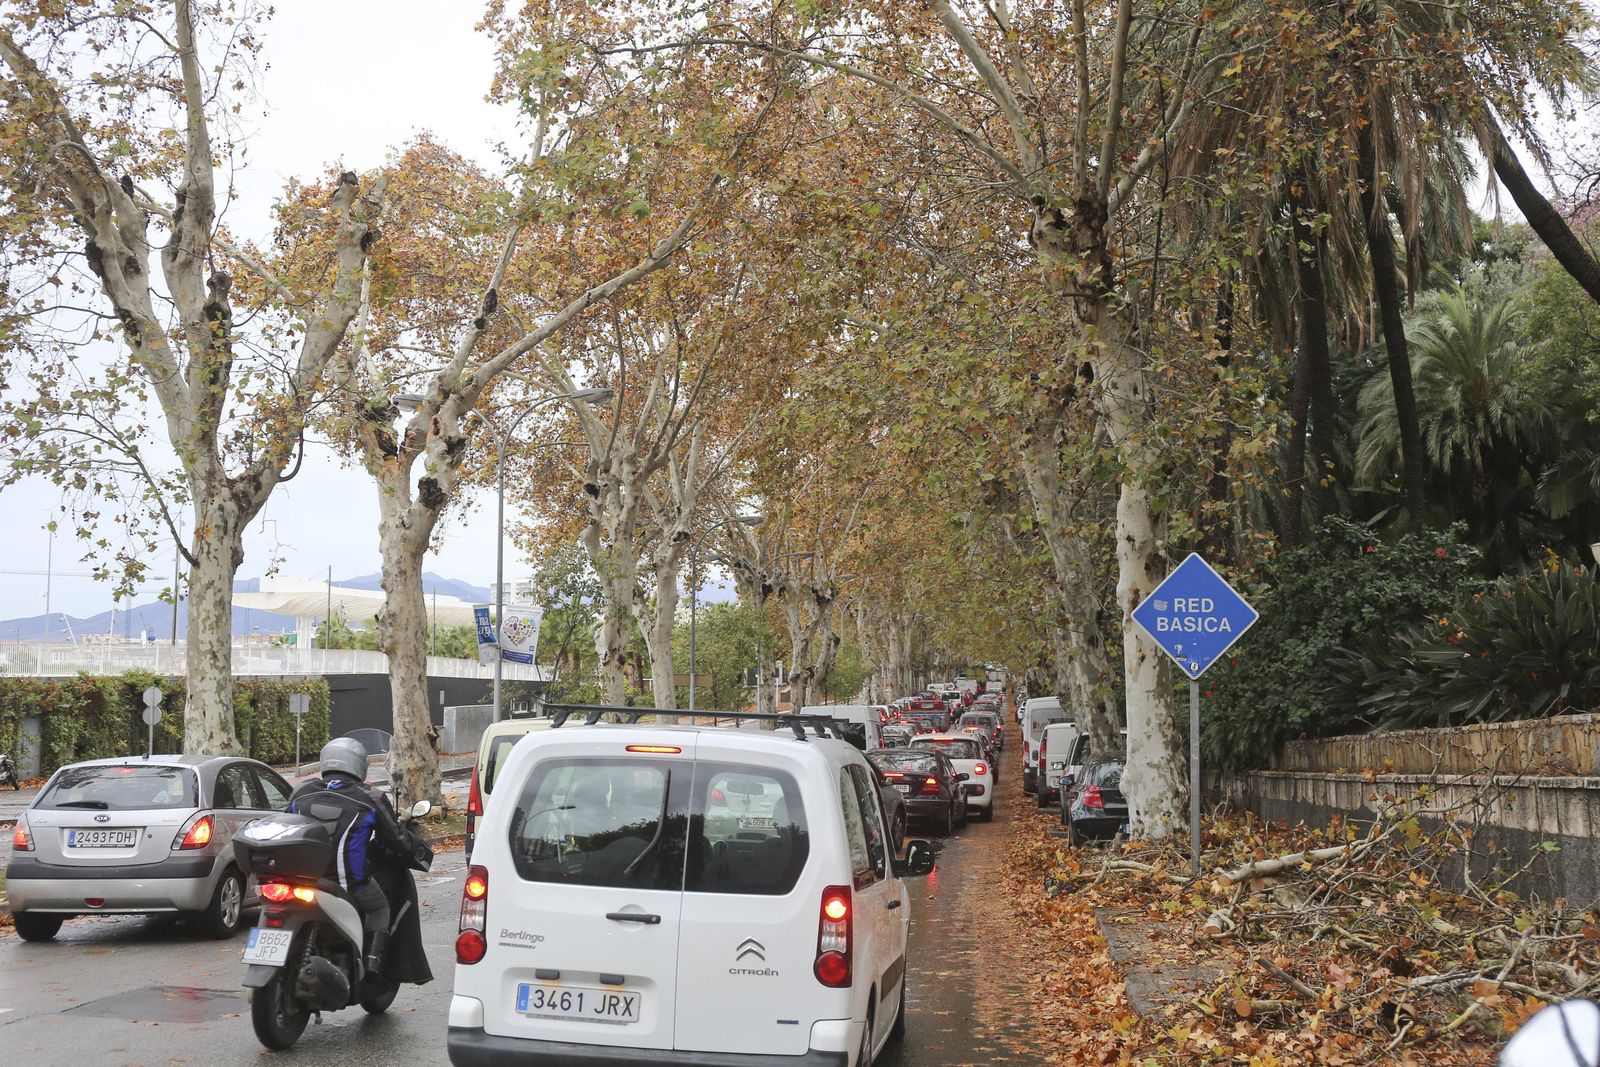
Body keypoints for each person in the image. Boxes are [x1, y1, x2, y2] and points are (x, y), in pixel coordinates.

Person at [289, 737, 413, 975]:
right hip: (349, 882)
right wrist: (408, 845)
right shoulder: (370, 797)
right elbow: (397, 840)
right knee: (380, 908)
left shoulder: (302, 791)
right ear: (359, 766)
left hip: (301, 879)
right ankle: (372, 965)